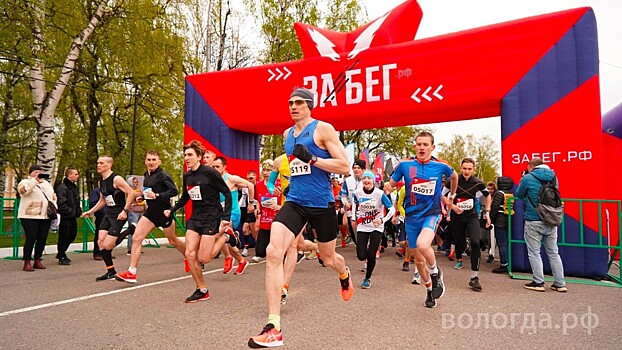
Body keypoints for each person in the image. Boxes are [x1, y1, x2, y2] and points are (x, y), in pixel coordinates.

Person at [248, 88, 352, 348]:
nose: (293, 107)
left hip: (322, 204)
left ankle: (344, 273)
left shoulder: (323, 129)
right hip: (295, 202)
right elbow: (294, 167)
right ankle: (274, 326)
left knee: (329, 259)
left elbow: (344, 166)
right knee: (274, 251)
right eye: (290, 103)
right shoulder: (287, 135)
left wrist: (315, 158)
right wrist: (281, 185)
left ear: (309, 105)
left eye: (298, 103)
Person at [389, 132, 458, 308]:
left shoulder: (440, 165)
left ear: (432, 147)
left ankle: (435, 273)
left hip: (432, 214)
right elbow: (392, 182)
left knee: (422, 244)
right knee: (419, 261)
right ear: (415, 146)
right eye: (419, 144)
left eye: (425, 144)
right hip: (411, 217)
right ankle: (429, 290)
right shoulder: (405, 165)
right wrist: (388, 188)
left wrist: (452, 195)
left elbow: (454, 177)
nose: (421, 147)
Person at [166, 140, 237, 303]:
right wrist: (173, 209)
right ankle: (202, 289)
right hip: (195, 219)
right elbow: (186, 196)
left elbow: (226, 193)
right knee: (190, 254)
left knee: (205, 258)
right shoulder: (187, 176)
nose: (186, 158)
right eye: (185, 155)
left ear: (199, 157)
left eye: (190, 155)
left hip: (211, 218)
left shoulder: (210, 173)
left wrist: (226, 218)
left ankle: (226, 236)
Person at [114, 150, 187, 284]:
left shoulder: (163, 175)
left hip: (163, 212)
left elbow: (174, 191)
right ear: (145, 161)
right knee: (137, 238)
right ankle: (132, 272)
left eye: (154, 160)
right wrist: (144, 197)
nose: (151, 162)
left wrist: (158, 196)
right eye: (149, 159)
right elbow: (149, 192)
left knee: (173, 240)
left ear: (159, 162)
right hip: (151, 213)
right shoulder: (146, 175)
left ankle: (190, 257)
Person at [515, 158, 567, 292]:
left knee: (534, 252)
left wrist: (523, 179)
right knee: (553, 252)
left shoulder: (527, 178)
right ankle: (560, 283)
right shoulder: (554, 177)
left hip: (534, 219)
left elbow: (519, 195)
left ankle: (538, 282)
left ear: (531, 166)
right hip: (551, 218)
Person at [81, 156, 134, 281]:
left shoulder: (116, 179)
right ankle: (111, 271)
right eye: (98, 162)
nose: (98, 165)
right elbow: (102, 200)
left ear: (109, 165)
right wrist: (90, 211)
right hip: (109, 213)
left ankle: (130, 229)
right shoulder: (101, 181)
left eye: (101, 163)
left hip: (119, 213)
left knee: (108, 245)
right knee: (101, 243)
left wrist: (125, 210)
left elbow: (131, 192)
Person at [448, 158, 491, 292]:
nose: (467, 171)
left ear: (474, 170)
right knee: (460, 244)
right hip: (457, 216)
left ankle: (474, 277)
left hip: (471, 215)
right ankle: (463, 248)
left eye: (469, 169)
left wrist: (488, 212)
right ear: (460, 168)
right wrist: (452, 206)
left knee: (476, 242)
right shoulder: (453, 181)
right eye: (464, 168)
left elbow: (487, 195)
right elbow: (442, 196)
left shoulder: (478, 183)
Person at [354, 171, 395, 289]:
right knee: (361, 256)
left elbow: (391, 209)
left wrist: (382, 220)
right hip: (362, 226)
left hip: (377, 226)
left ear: (373, 181)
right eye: (364, 178)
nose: (366, 180)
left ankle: (367, 278)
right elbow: (354, 206)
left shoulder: (379, 193)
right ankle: (367, 254)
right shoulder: (357, 193)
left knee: (371, 255)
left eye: (369, 178)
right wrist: (354, 218)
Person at [212, 156, 251, 275]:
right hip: (220, 213)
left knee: (218, 235)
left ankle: (229, 256)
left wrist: (252, 203)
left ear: (224, 167)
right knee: (225, 240)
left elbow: (251, 185)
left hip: (233, 213)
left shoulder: (231, 179)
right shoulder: (213, 179)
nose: (215, 169)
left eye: (217, 167)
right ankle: (241, 260)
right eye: (213, 167)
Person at [17, 165, 57, 271]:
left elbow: (52, 197)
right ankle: (27, 262)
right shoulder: (25, 182)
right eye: (35, 172)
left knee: (42, 238)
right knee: (31, 238)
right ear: (30, 173)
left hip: (45, 216)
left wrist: (54, 206)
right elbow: (23, 191)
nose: (38, 174)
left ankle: (37, 260)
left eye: (40, 172)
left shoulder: (47, 184)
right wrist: (34, 180)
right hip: (29, 215)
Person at [54, 167, 82, 265]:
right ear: (69, 175)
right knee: (64, 236)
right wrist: (69, 211)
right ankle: (61, 255)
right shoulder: (62, 187)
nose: (77, 176)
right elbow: (61, 202)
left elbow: (76, 201)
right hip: (65, 216)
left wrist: (78, 211)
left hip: (72, 216)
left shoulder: (74, 187)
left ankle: (61, 252)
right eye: (75, 174)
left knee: (72, 235)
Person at [490, 176, 514, 274]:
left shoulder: (499, 194)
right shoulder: (510, 194)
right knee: (507, 243)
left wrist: (491, 219)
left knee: (501, 243)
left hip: (500, 220)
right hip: (509, 219)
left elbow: (495, 207)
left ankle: (504, 264)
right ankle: (509, 262)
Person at [125, 176, 146, 255]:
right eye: (134, 182)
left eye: (137, 182)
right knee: (132, 230)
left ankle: (138, 247)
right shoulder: (129, 191)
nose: (136, 184)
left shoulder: (140, 191)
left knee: (140, 231)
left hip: (140, 211)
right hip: (133, 212)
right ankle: (130, 248)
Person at [88, 187, 106, 260]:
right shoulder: (96, 192)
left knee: (108, 235)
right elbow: (92, 203)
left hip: (110, 215)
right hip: (101, 216)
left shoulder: (109, 190)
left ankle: (106, 252)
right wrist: (100, 211)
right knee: (99, 234)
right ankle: (97, 252)